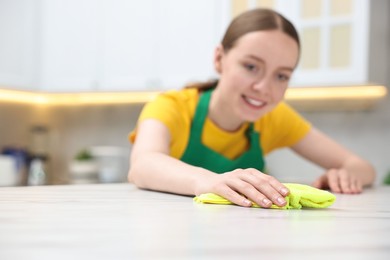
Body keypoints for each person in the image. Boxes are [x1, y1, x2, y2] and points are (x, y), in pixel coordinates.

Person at [128, 8, 375, 208]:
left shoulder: (275, 118)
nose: (263, 87)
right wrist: (211, 181)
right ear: (219, 59)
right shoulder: (171, 107)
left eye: (281, 76)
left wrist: (344, 175)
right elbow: (143, 164)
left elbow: (362, 167)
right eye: (251, 67)